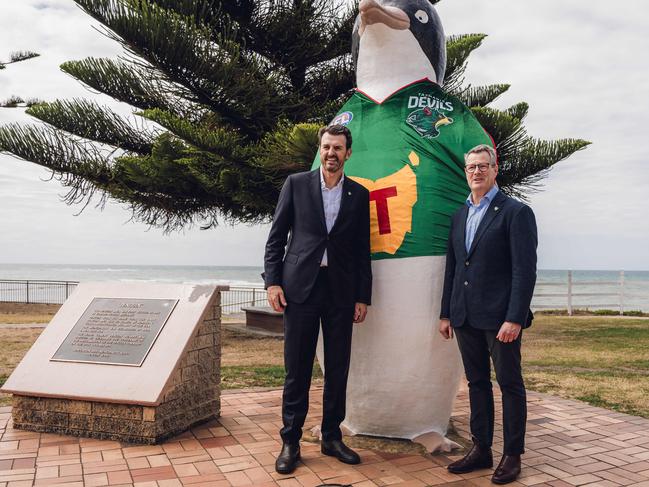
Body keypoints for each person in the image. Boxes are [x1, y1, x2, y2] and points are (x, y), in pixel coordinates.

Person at [264, 124, 372, 475]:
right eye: (326, 147)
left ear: (348, 153)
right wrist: (273, 283)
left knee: (338, 368)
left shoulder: (359, 194)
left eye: (338, 148)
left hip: (340, 291)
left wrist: (362, 296)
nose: (331, 153)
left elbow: (361, 251)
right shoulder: (296, 185)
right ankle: (291, 440)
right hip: (300, 290)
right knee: (297, 368)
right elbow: (276, 238)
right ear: (320, 149)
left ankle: (331, 436)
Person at [439, 144, 537, 485]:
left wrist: (515, 317)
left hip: (501, 320)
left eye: (483, 166)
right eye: (471, 168)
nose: (477, 172)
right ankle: (482, 449)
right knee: (477, 384)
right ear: (466, 172)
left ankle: (512, 455)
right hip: (464, 316)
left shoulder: (515, 212)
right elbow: (453, 267)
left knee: (510, 385)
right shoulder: (459, 215)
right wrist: (445, 313)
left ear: (495, 170)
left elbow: (524, 272)